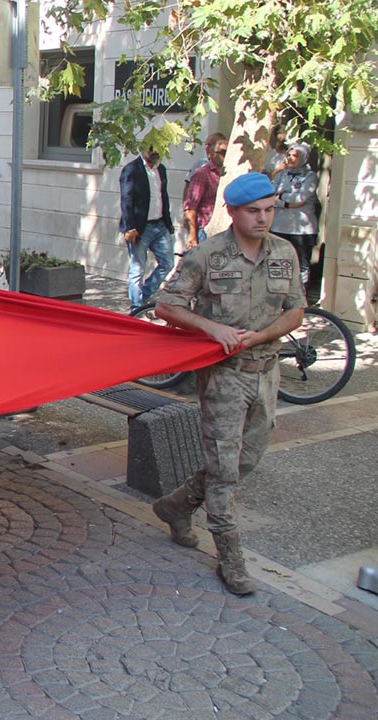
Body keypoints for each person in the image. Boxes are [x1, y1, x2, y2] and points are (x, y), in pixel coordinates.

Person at [151, 173, 306, 596]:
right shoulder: (208, 255)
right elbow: (168, 304)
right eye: (254, 211)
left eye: (269, 209)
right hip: (224, 374)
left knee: (246, 460)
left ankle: (174, 505)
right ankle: (231, 558)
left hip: (266, 369)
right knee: (223, 470)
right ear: (234, 212)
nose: (263, 218)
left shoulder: (284, 253)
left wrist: (264, 335)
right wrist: (210, 327)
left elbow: (297, 310)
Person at [118, 142, 175, 311]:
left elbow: (163, 196)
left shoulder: (161, 169)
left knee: (168, 263)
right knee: (137, 269)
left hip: (159, 225)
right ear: (143, 150)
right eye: (151, 148)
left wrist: (168, 222)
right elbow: (126, 200)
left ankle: (144, 295)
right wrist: (130, 227)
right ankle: (136, 307)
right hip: (140, 228)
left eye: (157, 149)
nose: (155, 152)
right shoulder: (132, 170)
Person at [269, 143, 320, 287]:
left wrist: (279, 200)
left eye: (295, 155)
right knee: (277, 262)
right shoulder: (282, 175)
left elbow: (299, 199)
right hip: (278, 227)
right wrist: (285, 200)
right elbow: (270, 192)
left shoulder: (310, 176)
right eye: (289, 155)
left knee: (301, 264)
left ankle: (302, 294)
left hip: (301, 231)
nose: (290, 158)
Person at [183, 132, 228, 248]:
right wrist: (192, 235)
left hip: (224, 230)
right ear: (212, 154)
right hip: (205, 230)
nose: (226, 155)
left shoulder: (227, 174)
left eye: (228, 152)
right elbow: (191, 206)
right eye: (223, 152)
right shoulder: (202, 173)